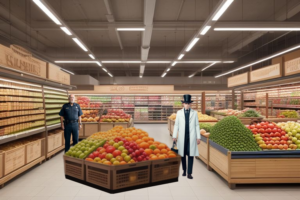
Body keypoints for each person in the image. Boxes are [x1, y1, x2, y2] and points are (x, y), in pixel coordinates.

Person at [172, 94, 201, 179]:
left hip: (191, 136)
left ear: (190, 104)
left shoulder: (194, 113)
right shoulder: (179, 113)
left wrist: (198, 137)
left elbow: (197, 125)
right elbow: (176, 125)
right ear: (183, 104)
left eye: (188, 103)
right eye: (185, 103)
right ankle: (184, 170)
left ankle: (189, 173)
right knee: (183, 154)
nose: (187, 105)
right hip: (182, 136)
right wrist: (174, 136)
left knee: (191, 154)